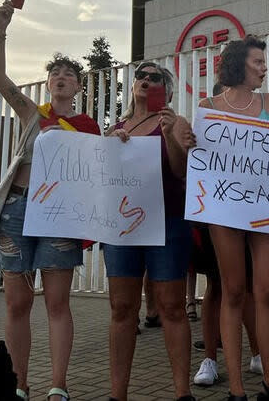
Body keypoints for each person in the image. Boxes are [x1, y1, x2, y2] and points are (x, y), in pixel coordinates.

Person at [0, 0, 101, 401]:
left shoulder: (87, 128)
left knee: (56, 302)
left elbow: (101, 171)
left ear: (79, 86)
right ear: (48, 83)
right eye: (55, 73)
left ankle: (58, 385)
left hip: (59, 216)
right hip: (18, 208)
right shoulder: (31, 112)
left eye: (69, 74)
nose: (61, 77)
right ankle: (18, 383)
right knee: (17, 302)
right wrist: (1, 28)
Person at [198, 36, 269, 401]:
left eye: (264, 62)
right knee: (233, 290)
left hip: (266, 207)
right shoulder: (208, 105)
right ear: (238, 64)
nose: (264, 68)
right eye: (258, 62)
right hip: (225, 210)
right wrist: (187, 139)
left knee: (267, 291)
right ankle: (236, 389)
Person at [106, 61, 197, 401]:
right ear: (133, 86)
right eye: (140, 76)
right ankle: (118, 394)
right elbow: (106, 179)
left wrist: (172, 133)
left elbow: (179, 171)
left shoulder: (176, 122)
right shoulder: (117, 127)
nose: (145, 80)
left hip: (167, 222)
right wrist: (111, 147)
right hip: (123, 228)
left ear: (167, 90)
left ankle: (182, 392)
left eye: (154, 78)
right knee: (121, 308)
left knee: (172, 306)